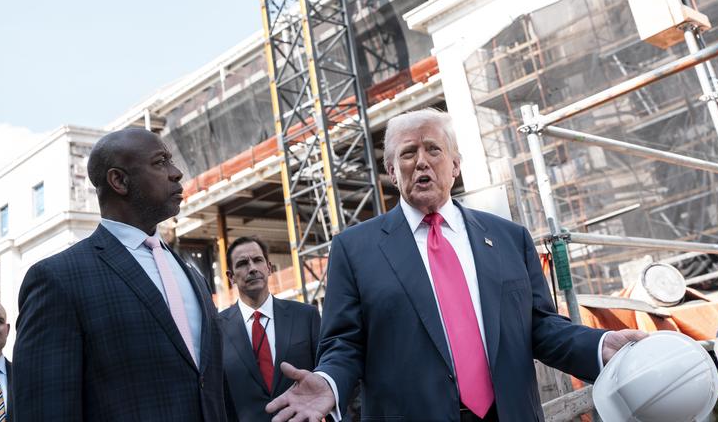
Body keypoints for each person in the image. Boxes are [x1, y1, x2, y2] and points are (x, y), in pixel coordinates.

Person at [267, 108, 647, 422]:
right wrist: (329, 383)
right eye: (407, 153)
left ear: (455, 165)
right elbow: (344, 343)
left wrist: (599, 344)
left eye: (433, 149)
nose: (421, 162)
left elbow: (542, 328)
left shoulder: (510, 239)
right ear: (390, 171)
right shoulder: (354, 249)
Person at [12, 126, 233, 421]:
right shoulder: (57, 280)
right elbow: (44, 410)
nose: (176, 172)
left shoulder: (193, 277)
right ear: (119, 180)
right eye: (160, 162)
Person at [219, 236, 323, 422]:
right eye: (242, 263)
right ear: (231, 276)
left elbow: (327, 371)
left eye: (258, 260)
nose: (252, 268)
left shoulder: (306, 316)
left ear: (269, 267)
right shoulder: (216, 329)